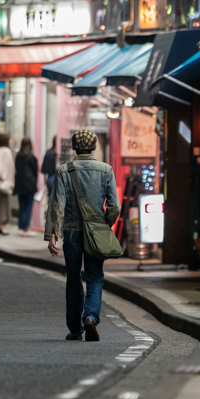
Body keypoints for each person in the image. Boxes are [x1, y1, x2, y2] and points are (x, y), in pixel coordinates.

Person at [45, 129, 119, 342]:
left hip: (72, 234)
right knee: (95, 277)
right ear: (95, 146)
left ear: (75, 148)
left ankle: (76, 329)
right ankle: (90, 317)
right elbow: (114, 206)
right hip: (97, 232)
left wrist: (52, 235)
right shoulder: (106, 170)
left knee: (74, 279)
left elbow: (58, 204)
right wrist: (106, 223)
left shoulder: (63, 171)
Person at [14, 137, 39, 237]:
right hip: (29, 185)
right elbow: (35, 172)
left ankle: (21, 227)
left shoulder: (18, 157)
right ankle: (26, 228)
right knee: (28, 206)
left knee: (21, 206)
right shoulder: (32, 157)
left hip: (20, 185)